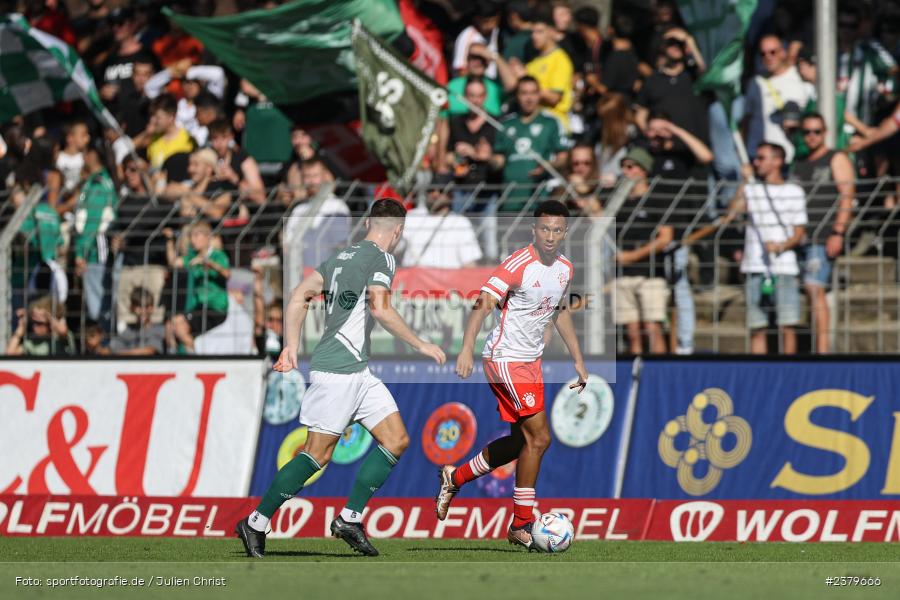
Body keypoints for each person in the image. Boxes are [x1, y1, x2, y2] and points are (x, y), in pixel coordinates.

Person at [236, 199, 446, 559]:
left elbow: (299, 295)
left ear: (367, 223)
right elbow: (381, 308)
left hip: (357, 371)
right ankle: (256, 522)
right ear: (398, 231)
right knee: (316, 456)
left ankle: (349, 518)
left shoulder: (340, 258)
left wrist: (290, 348)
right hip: (338, 372)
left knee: (396, 439)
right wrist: (419, 343)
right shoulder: (383, 258)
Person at [436, 200, 586, 550]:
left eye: (557, 230)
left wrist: (578, 359)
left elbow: (559, 313)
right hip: (504, 359)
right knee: (540, 438)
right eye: (545, 229)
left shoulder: (564, 267)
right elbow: (482, 304)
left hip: (530, 362)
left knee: (521, 443)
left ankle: (454, 477)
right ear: (534, 229)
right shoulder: (517, 264)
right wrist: (466, 348)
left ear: (565, 233)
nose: (550, 236)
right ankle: (521, 525)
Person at [733, 143, 807, 355]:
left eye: (762, 158)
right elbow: (733, 213)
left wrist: (782, 245)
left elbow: (799, 231)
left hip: (783, 266)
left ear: (777, 161)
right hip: (754, 265)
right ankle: (759, 369)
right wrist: (744, 182)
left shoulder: (793, 191)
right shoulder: (751, 189)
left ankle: (789, 370)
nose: (756, 162)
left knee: (787, 324)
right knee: (756, 326)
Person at [791, 113, 855, 354]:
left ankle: (822, 351)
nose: (811, 136)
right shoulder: (799, 162)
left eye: (816, 131)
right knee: (807, 292)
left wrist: (838, 231)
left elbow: (848, 195)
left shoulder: (835, 158)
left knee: (815, 289)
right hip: (799, 238)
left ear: (825, 131)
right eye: (807, 131)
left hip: (823, 235)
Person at [613, 147, 672, 354]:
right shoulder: (617, 201)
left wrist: (632, 256)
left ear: (643, 170)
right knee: (632, 332)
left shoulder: (656, 198)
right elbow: (597, 216)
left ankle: (660, 374)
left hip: (651, 274)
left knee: (652, 328)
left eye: (630, 167)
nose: (625, 172)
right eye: (623, 167)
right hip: (624, 274)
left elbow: (665, 237)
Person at [491, 76, 570, 215]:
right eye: (524, 93)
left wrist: (548, 165)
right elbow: (498, 162)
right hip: (509, 201)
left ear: (539, 94)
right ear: (517, 96)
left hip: (540, 201)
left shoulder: (551, 123)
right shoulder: (505, 124)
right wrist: (487, 158)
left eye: (533, 92)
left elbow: (563, 158)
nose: (529, 98)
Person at [744, 34, 813, 164]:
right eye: (763, 54)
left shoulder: (799, 77)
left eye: (773, 52)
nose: (768, 57)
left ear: (783, 52)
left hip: (794, 157)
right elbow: (747, 121)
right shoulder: (756, 83)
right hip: (763, 161)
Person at [165, 220, 231, 353]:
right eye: (190, 236)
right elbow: (174, 263)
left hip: (215, 308)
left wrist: (209, 263)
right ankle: (175, 359)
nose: (192, 240)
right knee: (169, 326)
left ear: (207, 237)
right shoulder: (193, 257)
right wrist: (170, 241)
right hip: (200, 308)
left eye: (196, 236)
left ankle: (196, 358)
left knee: (179, 326)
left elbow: (227, 274)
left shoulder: (218, 255)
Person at [73, 148, 117, 324]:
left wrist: (80, 253)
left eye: (84, 153)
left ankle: (105, 346)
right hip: (94, 252)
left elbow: (92, 222)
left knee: (98, 307)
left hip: (95, 253)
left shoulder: (99, 183)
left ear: (92, 155)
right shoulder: (95, 181)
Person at [400, 178, 483, 268]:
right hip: (412, 278)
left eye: (441, 190)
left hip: (447, 280)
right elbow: (394, 248)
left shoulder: (460, 223)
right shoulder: (411, 216)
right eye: (431, 190)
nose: (435, 194)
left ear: (451, 195)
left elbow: (470, 264)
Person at [110, 286, 166, 355]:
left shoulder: (159, 329)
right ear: (131, 308)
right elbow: (111, 349)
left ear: (152, 308)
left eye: (146, 306)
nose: (143, 311)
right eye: (139, 307)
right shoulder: (128, 330)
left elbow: (149, 351)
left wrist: (122, 354)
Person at [145, 93, 195, 169]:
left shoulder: (187, 139)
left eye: (158, 117)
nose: (152, 121)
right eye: (152, 116)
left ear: (171, 117)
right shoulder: (154, 138)